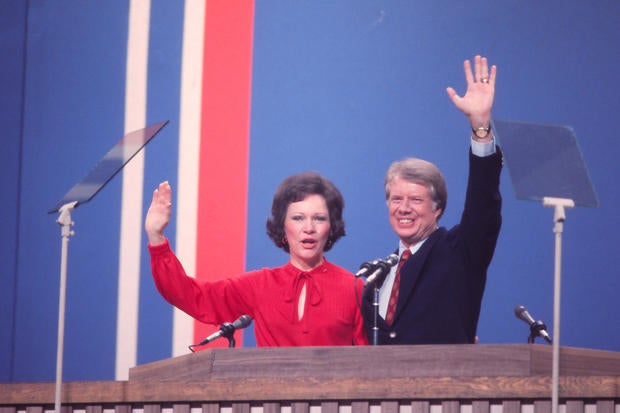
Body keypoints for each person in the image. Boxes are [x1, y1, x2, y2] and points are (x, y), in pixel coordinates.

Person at [361, 55, 503, 345]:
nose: (403, 208)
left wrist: (481, 127)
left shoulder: (460, 252)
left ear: (437, 208)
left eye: (415, 200)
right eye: (396, 199)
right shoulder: (375, 278)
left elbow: (482, 204)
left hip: (445, 388)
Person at [145, 171, 368, 347]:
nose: (308, 228)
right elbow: (191, 296)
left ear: (331, 227)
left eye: (319, 218)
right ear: (283, 226)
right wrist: (156, 238)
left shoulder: (354, 288)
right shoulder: (260, 286)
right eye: (298, 218)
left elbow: (370, 366)